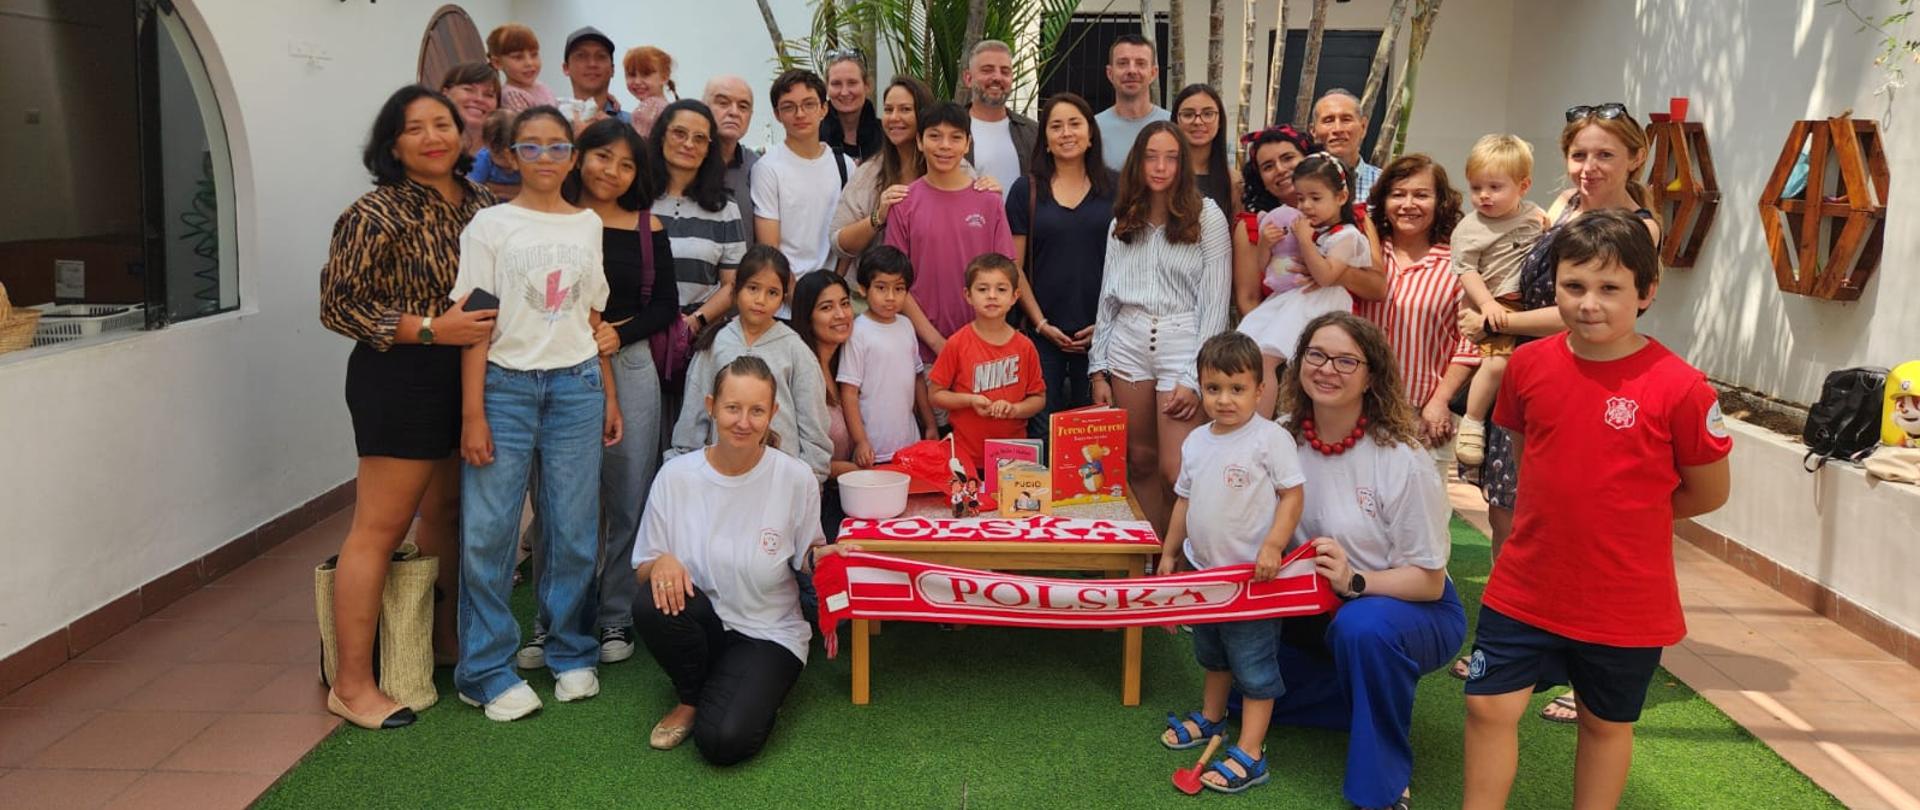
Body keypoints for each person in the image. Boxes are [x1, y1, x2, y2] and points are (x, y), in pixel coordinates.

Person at [1461, 211, 1731, 810]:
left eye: (1610, 289)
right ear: (1553, 286)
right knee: (1486, 705)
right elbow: (1536, 464)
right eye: (1574, 286)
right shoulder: (1527, 366)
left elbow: (1708, 492)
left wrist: (1625, 515)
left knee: (1603, 723)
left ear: (1646, 292)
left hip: (1624, 595)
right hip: (1526, 581)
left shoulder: (1682, 387)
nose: (1590, 304)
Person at [1460, 104, 1662, 723]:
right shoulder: (1561, 208)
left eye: (1605, 154)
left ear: (1634, 158)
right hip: (1531, 377)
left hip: (1592, 384)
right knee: (1509, 515)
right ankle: (1512, 642)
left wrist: (1499, 321)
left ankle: (1587, 671)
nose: (1589, 166)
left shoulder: (1639, 226)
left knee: (1584, 527)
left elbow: (1584, 307)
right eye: (1580, 154)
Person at [318, 85, 498, 730]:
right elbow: (338, 306)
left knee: (447, 513)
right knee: (379, 527)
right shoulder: (375, 211)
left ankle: (440, 642)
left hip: (470, 375)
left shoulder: (482, 203)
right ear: (392, 143)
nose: (433, 136)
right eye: (415, 127)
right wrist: (429, 329)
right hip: (399, 374)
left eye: (443, 123)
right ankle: (352, 682)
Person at [1250, 311, 1465, 810]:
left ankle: (1384, 787)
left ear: (1372, 376)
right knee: (1247, 691)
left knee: (1363, 630)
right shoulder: (1278, 438)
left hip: (1404, 605)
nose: (1328, 369)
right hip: (1312, 603)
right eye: (1317, 355)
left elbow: (1429, 582)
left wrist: (1356, 581)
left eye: (1347, 360)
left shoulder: (1401, 457)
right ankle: (1365, 698)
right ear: (1298, 364)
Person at [452, 106, 620, 722]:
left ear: (573, 156)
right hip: (505, 388)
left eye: (557, 148)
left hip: (576, 388)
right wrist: (474, 412)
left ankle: (570, 649)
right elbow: (475, 325)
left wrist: (607, 392)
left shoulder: (588, 225)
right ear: (511, 154)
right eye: (532, 147)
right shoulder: (491, 226)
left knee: (573, 528)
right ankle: (485, 670)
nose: (546, 158)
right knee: (490, 533)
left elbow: (591, 319)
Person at [633, 355, 857, 765]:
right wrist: (661, 560)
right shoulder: (676, 476)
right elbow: (644, 566)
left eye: (757, 410)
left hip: (768, 631)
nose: (743, 421)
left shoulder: (796, 478)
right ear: (711, 406)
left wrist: (822, 556)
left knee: (724, 743)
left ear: (773, 414)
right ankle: (691, 695)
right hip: (704, 621)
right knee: (651, 599)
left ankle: (742, 687)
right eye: (732, 407)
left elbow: (807, 553)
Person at [1155, 332, 1306, 794]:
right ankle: (1211, 717)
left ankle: (1252, 750)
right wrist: (1169, 552)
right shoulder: (1198, 441)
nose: (1224, 400)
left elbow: (1292, 495)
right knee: (1212, 652)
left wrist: (1274, 545)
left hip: (1251, 580)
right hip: (1205, 574)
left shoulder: (1270, 438)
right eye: (1213, 388)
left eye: (1237, 389)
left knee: (1255, 664)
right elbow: (1183, 501)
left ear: (1259, 390)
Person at [563, 118, 678, 665]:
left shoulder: (645, 228)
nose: (612, 171)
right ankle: (559, 617)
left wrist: (619, 332)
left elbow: (665, 306)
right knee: (564, 498)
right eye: (602, 156)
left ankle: (614, 616)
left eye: (627, 163)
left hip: (628, 362)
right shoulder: (552, 221)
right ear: (579, 156)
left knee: (629, 491)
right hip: (558, 360)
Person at [1087, 121, 1231, 537]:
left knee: (1176, 469)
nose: (1161, 166)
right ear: (1137, 162)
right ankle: (1147, 560)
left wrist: (1195, 377)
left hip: (1183, 341)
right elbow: (1107, 297)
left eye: (1171, 157)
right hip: (1127, 344)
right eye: (1151, 156)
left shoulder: (1208, 216)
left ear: (1183, 163)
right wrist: (1098, 368)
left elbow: (1215, 304)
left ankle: (1180, 560)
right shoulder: (1123, 219)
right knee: (1140, 459)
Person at [669, 246, 833, 482]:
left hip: (779, 479)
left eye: (772, 293)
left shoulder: (795, 350)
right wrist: (686, 471)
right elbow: (693, 414)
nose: (760, 300)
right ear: (736, 290)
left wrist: (810, 478)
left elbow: (813, 423)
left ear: (783, 297)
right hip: (722, 476)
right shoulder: (716, 344)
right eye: (753, 288)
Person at [1236, 154, 1370, 424]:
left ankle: (1260, 427)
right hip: (1290, 300)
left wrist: (1305, 241)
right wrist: (1265, 244)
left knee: (1269, 359)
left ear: (1341, 197)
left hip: (1321, 304)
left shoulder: (1348, 236)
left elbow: (1326, 275)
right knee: (1249, 352)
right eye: (1300, 198)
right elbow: (1268, 268)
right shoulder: (1308, 229)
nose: (1306, 206)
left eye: (1315, 198)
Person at [1009, 92, 1115, 436]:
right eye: (1056, 126)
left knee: (1094, 441)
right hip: (1042, 337)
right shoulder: (1026, 190)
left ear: (1090, 135)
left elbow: (1130, 264)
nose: (1066, 133)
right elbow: (1015, 267)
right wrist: (1040, 324)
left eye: (1075, 124)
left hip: (1103, 335)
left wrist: (1104, 324)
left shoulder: (1117, 188)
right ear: (1046, 141)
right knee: (1041, 435)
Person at [1354, 154, 1476, 448]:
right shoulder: (1363, 256)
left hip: (1423, 416)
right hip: (1357, 408)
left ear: (1440, 202)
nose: (1408, 205)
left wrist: (1441, 401)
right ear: (1383, 201)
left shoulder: (1458, 265)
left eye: (1421, 195)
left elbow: (1469, 343)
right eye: (1398, 195)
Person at [885, 101, 1016, 360]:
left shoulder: (989, 201)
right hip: (921, 350)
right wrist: (937, 343)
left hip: (982, 348)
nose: (945, 145)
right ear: (920, 142)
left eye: (955, 138)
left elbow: (1005, 274)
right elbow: (896, 281)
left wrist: (983, 337)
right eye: (934, 136)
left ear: (967, 144)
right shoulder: (904, 203)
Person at [1451, 134, 1546, 466]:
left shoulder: (1535, 215)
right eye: (1476, 188)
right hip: (1496, 300)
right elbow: (1466, 271)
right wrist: (1486, 303)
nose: (1483, 196)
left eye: (1494, 187)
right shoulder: (1469, 229)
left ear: (1523, 186)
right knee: (1497, 363)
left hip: (1531, 301)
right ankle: (1472, 420)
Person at [928, 254, 1046, 473]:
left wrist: (1015, 409)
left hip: (1014, 456)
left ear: (1014, 296)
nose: (992, 296)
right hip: (967, 456)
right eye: (982, 289)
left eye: (1001, 289)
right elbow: (935, 395)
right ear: (968, 295)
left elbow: (1038, 399)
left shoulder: (1025, 346)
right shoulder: (956, 343)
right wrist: (969, 400)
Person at [753, 69, 857, 316]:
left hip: (833, 304)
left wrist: (830, 294)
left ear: (823, 109)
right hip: (787, 308)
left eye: (809, 104)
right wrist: (800, 302)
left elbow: (848, 238)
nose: (800, 114)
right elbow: (771, 250)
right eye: (789, 107)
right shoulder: (767, 168)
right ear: (778, 115)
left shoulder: (844, 165)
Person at [650, 100, 748, 355]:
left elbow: (733, 284)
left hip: (701, 341)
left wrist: (696, 321)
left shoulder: (725, 208)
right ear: (662, 137)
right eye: (679, 133)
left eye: (700, 138)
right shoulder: (636, 201)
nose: (689, 144)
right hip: (639, 339)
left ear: (709, 149)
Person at [839, 246, 937, 467]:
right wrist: (861, 441)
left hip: (909, 442)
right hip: (874, 448)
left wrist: (930, 423)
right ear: (863, 289)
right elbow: (849, 392)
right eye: (881, 288)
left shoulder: (906, 325)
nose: (890, 297)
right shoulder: (857, 332)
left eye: (899, 289)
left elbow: (918, 378)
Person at [829, 76, 937, 262]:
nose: (894, 117)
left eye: (905, 109)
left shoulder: (951, 166)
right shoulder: (869, 173)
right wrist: (878, 217)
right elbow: (839, 242)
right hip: (882, 286)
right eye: (888, 110)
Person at [789, 271, 861, 537]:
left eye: (844, 303)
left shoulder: (849, 362)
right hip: (815, 506)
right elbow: (790, 451)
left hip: (850, 496)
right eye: (826, 307)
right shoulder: (798, 371)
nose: (841, 314)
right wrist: (845, 470)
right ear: (807, 316)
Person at [1231, 124, 1315, 322]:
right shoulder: (1252, 227)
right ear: (1260, 179)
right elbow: (1248, 300)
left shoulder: (1335, 218)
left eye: (1288, 158)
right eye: (1268, 166)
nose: (1280, 170)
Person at [961, 40, 1037, 194]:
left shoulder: (1033, 133)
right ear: (968, 79)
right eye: (987, 70)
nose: (997, 77)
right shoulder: (949, 130)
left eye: (1005, 71)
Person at [1094, 34, 1170, 173]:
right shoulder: (1092, 129)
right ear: (1110, 73)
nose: (1132, 71)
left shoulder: (1172, 124)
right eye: (1123, 63)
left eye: (1141, 63)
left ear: (1153, 73)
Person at [703, 75, 760, 238]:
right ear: (704, 106)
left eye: (743, 107)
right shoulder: (685, 162)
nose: (734, 112)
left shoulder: (758, 167)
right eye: (723, 103)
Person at [1172, 84, 1239, 218]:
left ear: (1220, 121)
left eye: (1208, 114)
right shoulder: (1162, 174)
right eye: (1188, 114)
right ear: (1175, 121)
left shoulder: (1234, 182)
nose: (1197, 121)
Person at [1309, 89, 1381, 204]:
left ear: (1363, 127)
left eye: (1346, 119)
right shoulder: (1301, 184)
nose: (1338, 129)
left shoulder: (1384, 183)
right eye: (1328, 121)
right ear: (1313, 131)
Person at [821, 50, 883, 164]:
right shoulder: (814, 137)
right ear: (826, 88)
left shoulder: (887, 136)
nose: (844, 92)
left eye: (852, 83)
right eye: (836, 84)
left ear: (867, 86)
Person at [561, 27, 627, 125]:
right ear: (566, 68)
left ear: (612, 69)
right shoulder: (553, 125)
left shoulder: (635, 126)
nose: (592, 64)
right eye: (581, 56)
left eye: (601, 56)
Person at [487, 23, 555, 114]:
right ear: (497, 63)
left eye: (534, 55)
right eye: (518, 57)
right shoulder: (512, 95)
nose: (529, 63)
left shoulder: (542, 87)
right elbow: (528, 126)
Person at [438, 61, 500, 160]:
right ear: (445, 93)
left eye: (489, 95)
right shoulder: (430, 144)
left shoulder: (506, 155)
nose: (479, 99)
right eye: (468, 89)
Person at [467, 110, 522, 201]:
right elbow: (472, 189)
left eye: (514, 155)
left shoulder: (528, 158)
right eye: (501, 157)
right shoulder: (484, 160)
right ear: (487, 146)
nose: (509, 162)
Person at [623, 45, 677, 136]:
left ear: (664, 76)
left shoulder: (650, 107)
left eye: (645, 74)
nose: (637, 81)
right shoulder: (667, 108)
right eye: (632, 75)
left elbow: (637, 144)